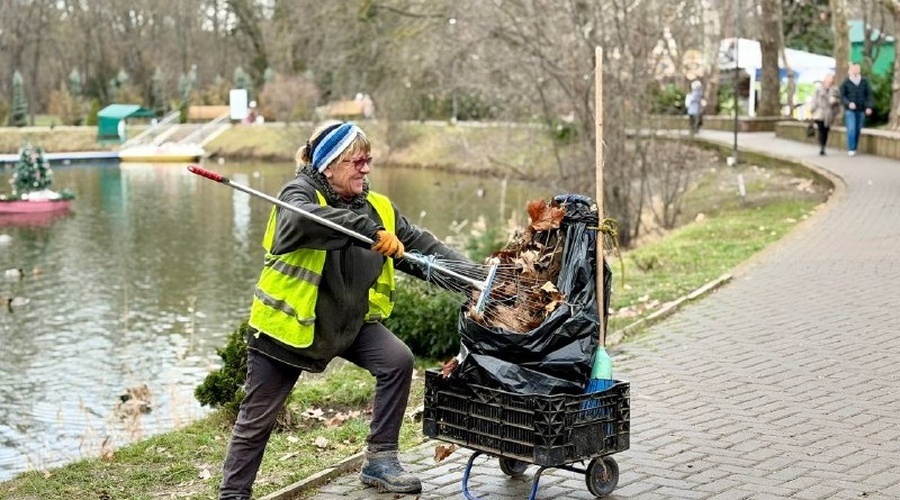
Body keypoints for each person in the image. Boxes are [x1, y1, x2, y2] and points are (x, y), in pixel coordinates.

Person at [218, 121, 470, 499]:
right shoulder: (298, 194)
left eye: (368, 160)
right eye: (358, 161)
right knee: (257, 420)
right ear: (330, 164)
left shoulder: (378, 207)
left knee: (396, 361)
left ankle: (380, 460)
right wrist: (368, 232)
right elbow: (301, 222)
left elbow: (420, 247)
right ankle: (234, 494)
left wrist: (474, 276)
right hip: (288, 328)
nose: (366, 168)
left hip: (348, 323)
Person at [839, 63, 874, 156]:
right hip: (850, 110)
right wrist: (848, 103)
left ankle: (855, 146)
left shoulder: (864, 82)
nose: (855, 70)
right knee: (851, 128)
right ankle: (851, 148)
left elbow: (869, 95)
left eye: (857, 69)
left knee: (858, 129)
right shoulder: (846, 83)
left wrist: (869, 106)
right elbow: (842, 96)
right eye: (854, 69)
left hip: (861, 109)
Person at [809, 73, 841, 155]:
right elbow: (814, 100)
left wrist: (834, 101)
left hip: (828, 113)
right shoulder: (819, 89)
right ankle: (821, 146)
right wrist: (812, 109)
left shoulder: (835, 89)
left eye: (831, 79)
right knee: (821, 129)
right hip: (820, 112)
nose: (830, 81)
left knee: (826, 130)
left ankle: (823, 144)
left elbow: (838, 102)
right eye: (828, 79)